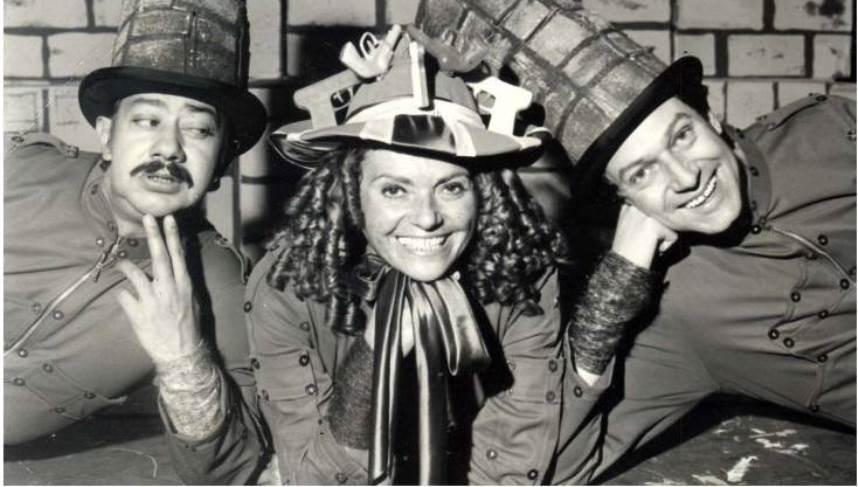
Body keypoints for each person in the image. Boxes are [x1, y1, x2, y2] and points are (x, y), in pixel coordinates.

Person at [410, 0, 855, 482]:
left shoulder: (833, 128)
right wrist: (616, 284)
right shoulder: (681, 310)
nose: (685, 177)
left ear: (711, 116)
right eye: (642, 174)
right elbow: (537, 468)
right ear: (625, 201)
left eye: (681, 136)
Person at [4, 0, 270, 482]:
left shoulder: (218, 281)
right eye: (148, 121)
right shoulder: (18, 172)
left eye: (199, 129)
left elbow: (233, 465)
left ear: (220, 164)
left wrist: (183, 359)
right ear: (107, 135)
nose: (170, 148)